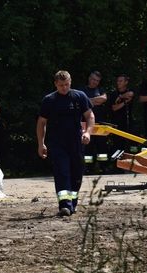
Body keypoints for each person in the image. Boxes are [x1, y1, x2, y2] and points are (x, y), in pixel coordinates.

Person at [36, 70, 95, 216]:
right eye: (61, 85)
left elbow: (90, 115)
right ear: (55, 84)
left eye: (67, 84)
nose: (64, 88)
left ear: (71, 82)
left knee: (77, 174)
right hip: (57, 142)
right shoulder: (49, 100)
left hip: (76, 141)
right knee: (62, 172)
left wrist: (88, 132)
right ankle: (64, 205)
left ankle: (72, 203)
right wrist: (41, 143)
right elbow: (41, 122)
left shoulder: (79, 96)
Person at [80, 71, 108, 173]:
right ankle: (87, 168)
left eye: (97, 81)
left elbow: (103, 98)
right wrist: (95, 101)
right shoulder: (82, 90)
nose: (94, 82)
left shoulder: (100, 89)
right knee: (88, 145)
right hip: (85, 122)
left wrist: (88, 101)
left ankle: (103, 167)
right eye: (93, 79)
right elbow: (82, 103)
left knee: (101, 146)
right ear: (89, 78)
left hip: (100, 122)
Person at [108, 74, 135, 152]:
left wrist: (120, 97)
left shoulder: (130, 90)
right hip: (117, 123)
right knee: (117, 144)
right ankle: (116, 162)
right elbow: (114, 108)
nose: (118, 83)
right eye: (117, 81)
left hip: (128, 122)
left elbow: (131, 94)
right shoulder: (113, 94)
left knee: (129, 144)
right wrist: (125, 102)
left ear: (126, 82)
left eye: (121, 81)